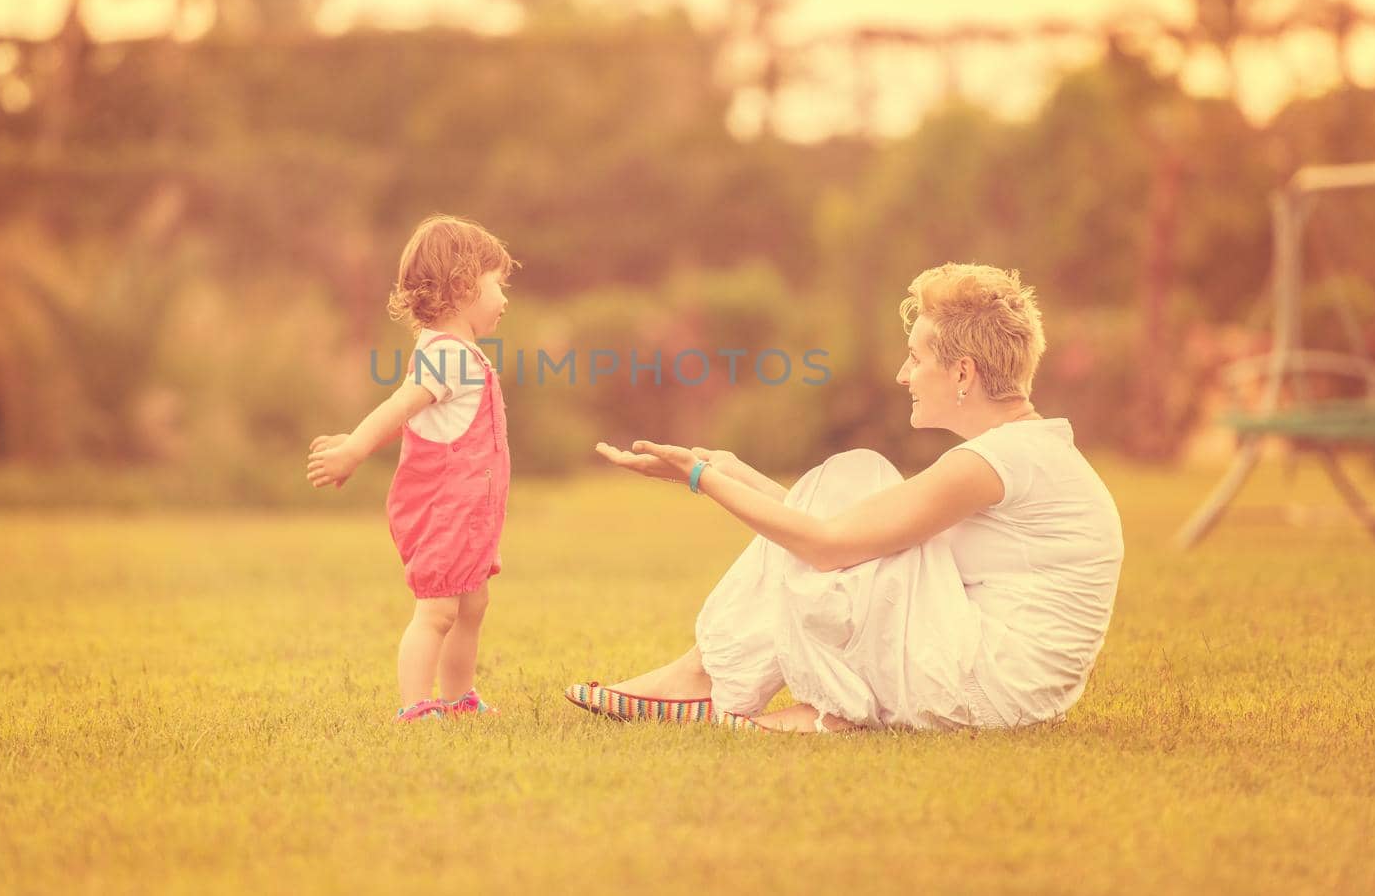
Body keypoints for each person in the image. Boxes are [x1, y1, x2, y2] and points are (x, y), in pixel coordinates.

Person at [567, 263, 1123, 733]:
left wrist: (702, 481)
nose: (905, 374)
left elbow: (829, 545)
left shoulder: (992, 462)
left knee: (859, 473)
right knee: (854, 486)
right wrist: (731, 474)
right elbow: (857, 534)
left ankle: (710, 680)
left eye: (916, 358)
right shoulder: (1020, 451)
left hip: (990, 682)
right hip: (1002, 678)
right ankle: (799, 706)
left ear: (962, 372)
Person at [308, 215, 515, 722]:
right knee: (440, 609)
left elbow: (429, 420)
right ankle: (416, 706)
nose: (505, 299)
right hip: (448, 510)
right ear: (465, 285)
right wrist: (355, 448)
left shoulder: (458, 353)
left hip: (471, 512)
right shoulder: (448, 355)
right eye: (497, 285)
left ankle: (459, 698)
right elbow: (400, 406)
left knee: (473, 604)